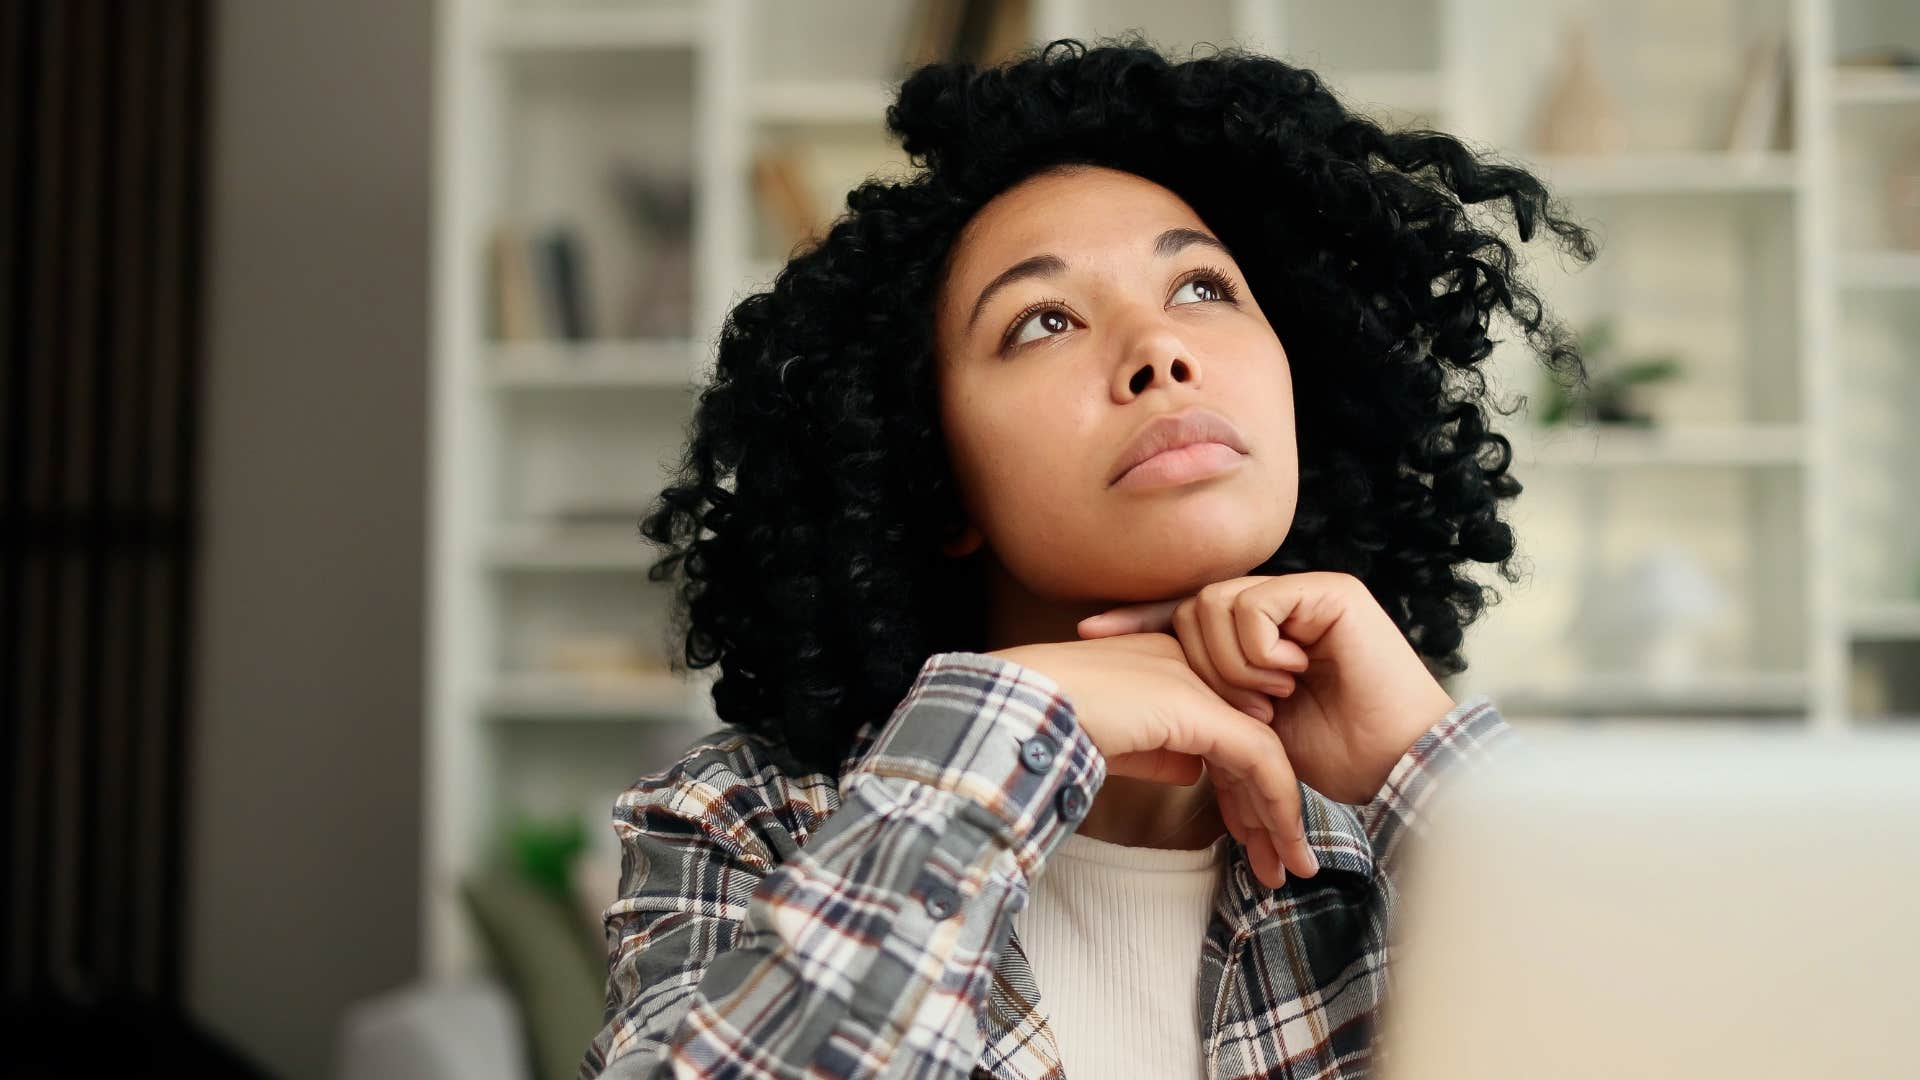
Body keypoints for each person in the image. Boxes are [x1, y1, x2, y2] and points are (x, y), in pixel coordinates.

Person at [577, 35, 1596, 1080]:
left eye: (1201, 287)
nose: (1161, 350)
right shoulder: (745, 824)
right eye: (1044, 320)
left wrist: (1431, 776)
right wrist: (1003, 739)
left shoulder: (1404, 835)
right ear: (937, 479)